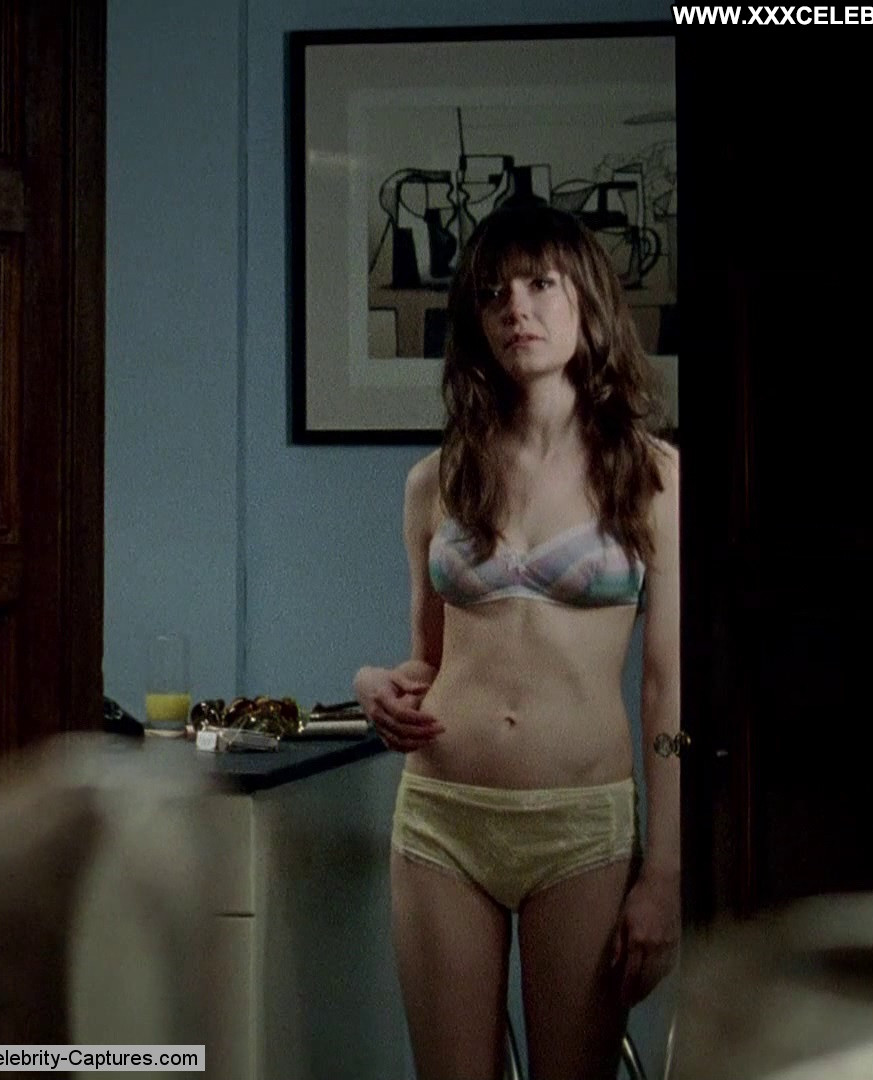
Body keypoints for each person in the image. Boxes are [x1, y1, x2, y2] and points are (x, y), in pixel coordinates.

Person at [353, 202, 681, 1080]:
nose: (517, 310)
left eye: (541, 284)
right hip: (441, 820)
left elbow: (669, 690)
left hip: (583, 829)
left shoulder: (652, 476)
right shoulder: (436, 480)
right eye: (494, 293)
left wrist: (666, 873)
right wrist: (374, 683)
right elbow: (428, 660)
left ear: (587, 300)